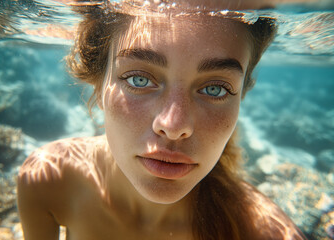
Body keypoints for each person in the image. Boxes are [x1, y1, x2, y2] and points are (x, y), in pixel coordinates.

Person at [17, 2, 308, 240]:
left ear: (241, 95)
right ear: (97, 83)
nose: (173, 124)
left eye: (215, 89)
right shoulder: (46, 179)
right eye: (139, 79)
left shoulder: (266, 233)